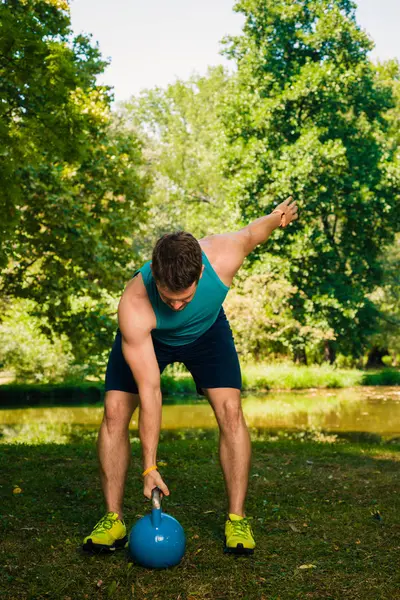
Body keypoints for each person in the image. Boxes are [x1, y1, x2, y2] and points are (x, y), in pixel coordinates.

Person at [82, 196, 298, 555]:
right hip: (149, 338)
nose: (177, 306)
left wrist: (279, 216)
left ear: (200, 274)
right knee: (115, 412)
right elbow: (151, 391)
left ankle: (237, 519)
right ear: (156, 277)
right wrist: (149, 465)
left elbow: (253, 231)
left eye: (185, 298)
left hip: (207, 333)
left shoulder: (225, 254)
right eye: (169, 299)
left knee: (230, 411)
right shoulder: (134, 304)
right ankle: (113, 519)